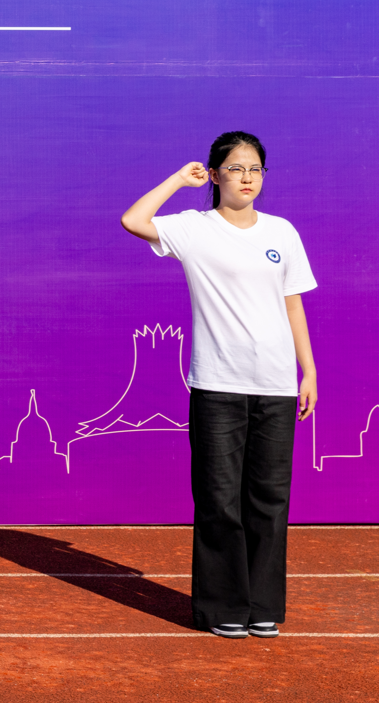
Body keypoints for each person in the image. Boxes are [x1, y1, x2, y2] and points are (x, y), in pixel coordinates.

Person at [120, 131, 317, 640]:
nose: (247, 177)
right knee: (219, 498)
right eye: (235, 168)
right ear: (214, 175)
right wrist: (177, 180)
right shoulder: (194, 228)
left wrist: (308, 369)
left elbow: (292, 301)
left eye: (255, 169)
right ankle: (224, 606)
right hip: (217, 383)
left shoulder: (281, 232)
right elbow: (134, 220)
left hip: (275, 384)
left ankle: (263, 606)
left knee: (270, 499)